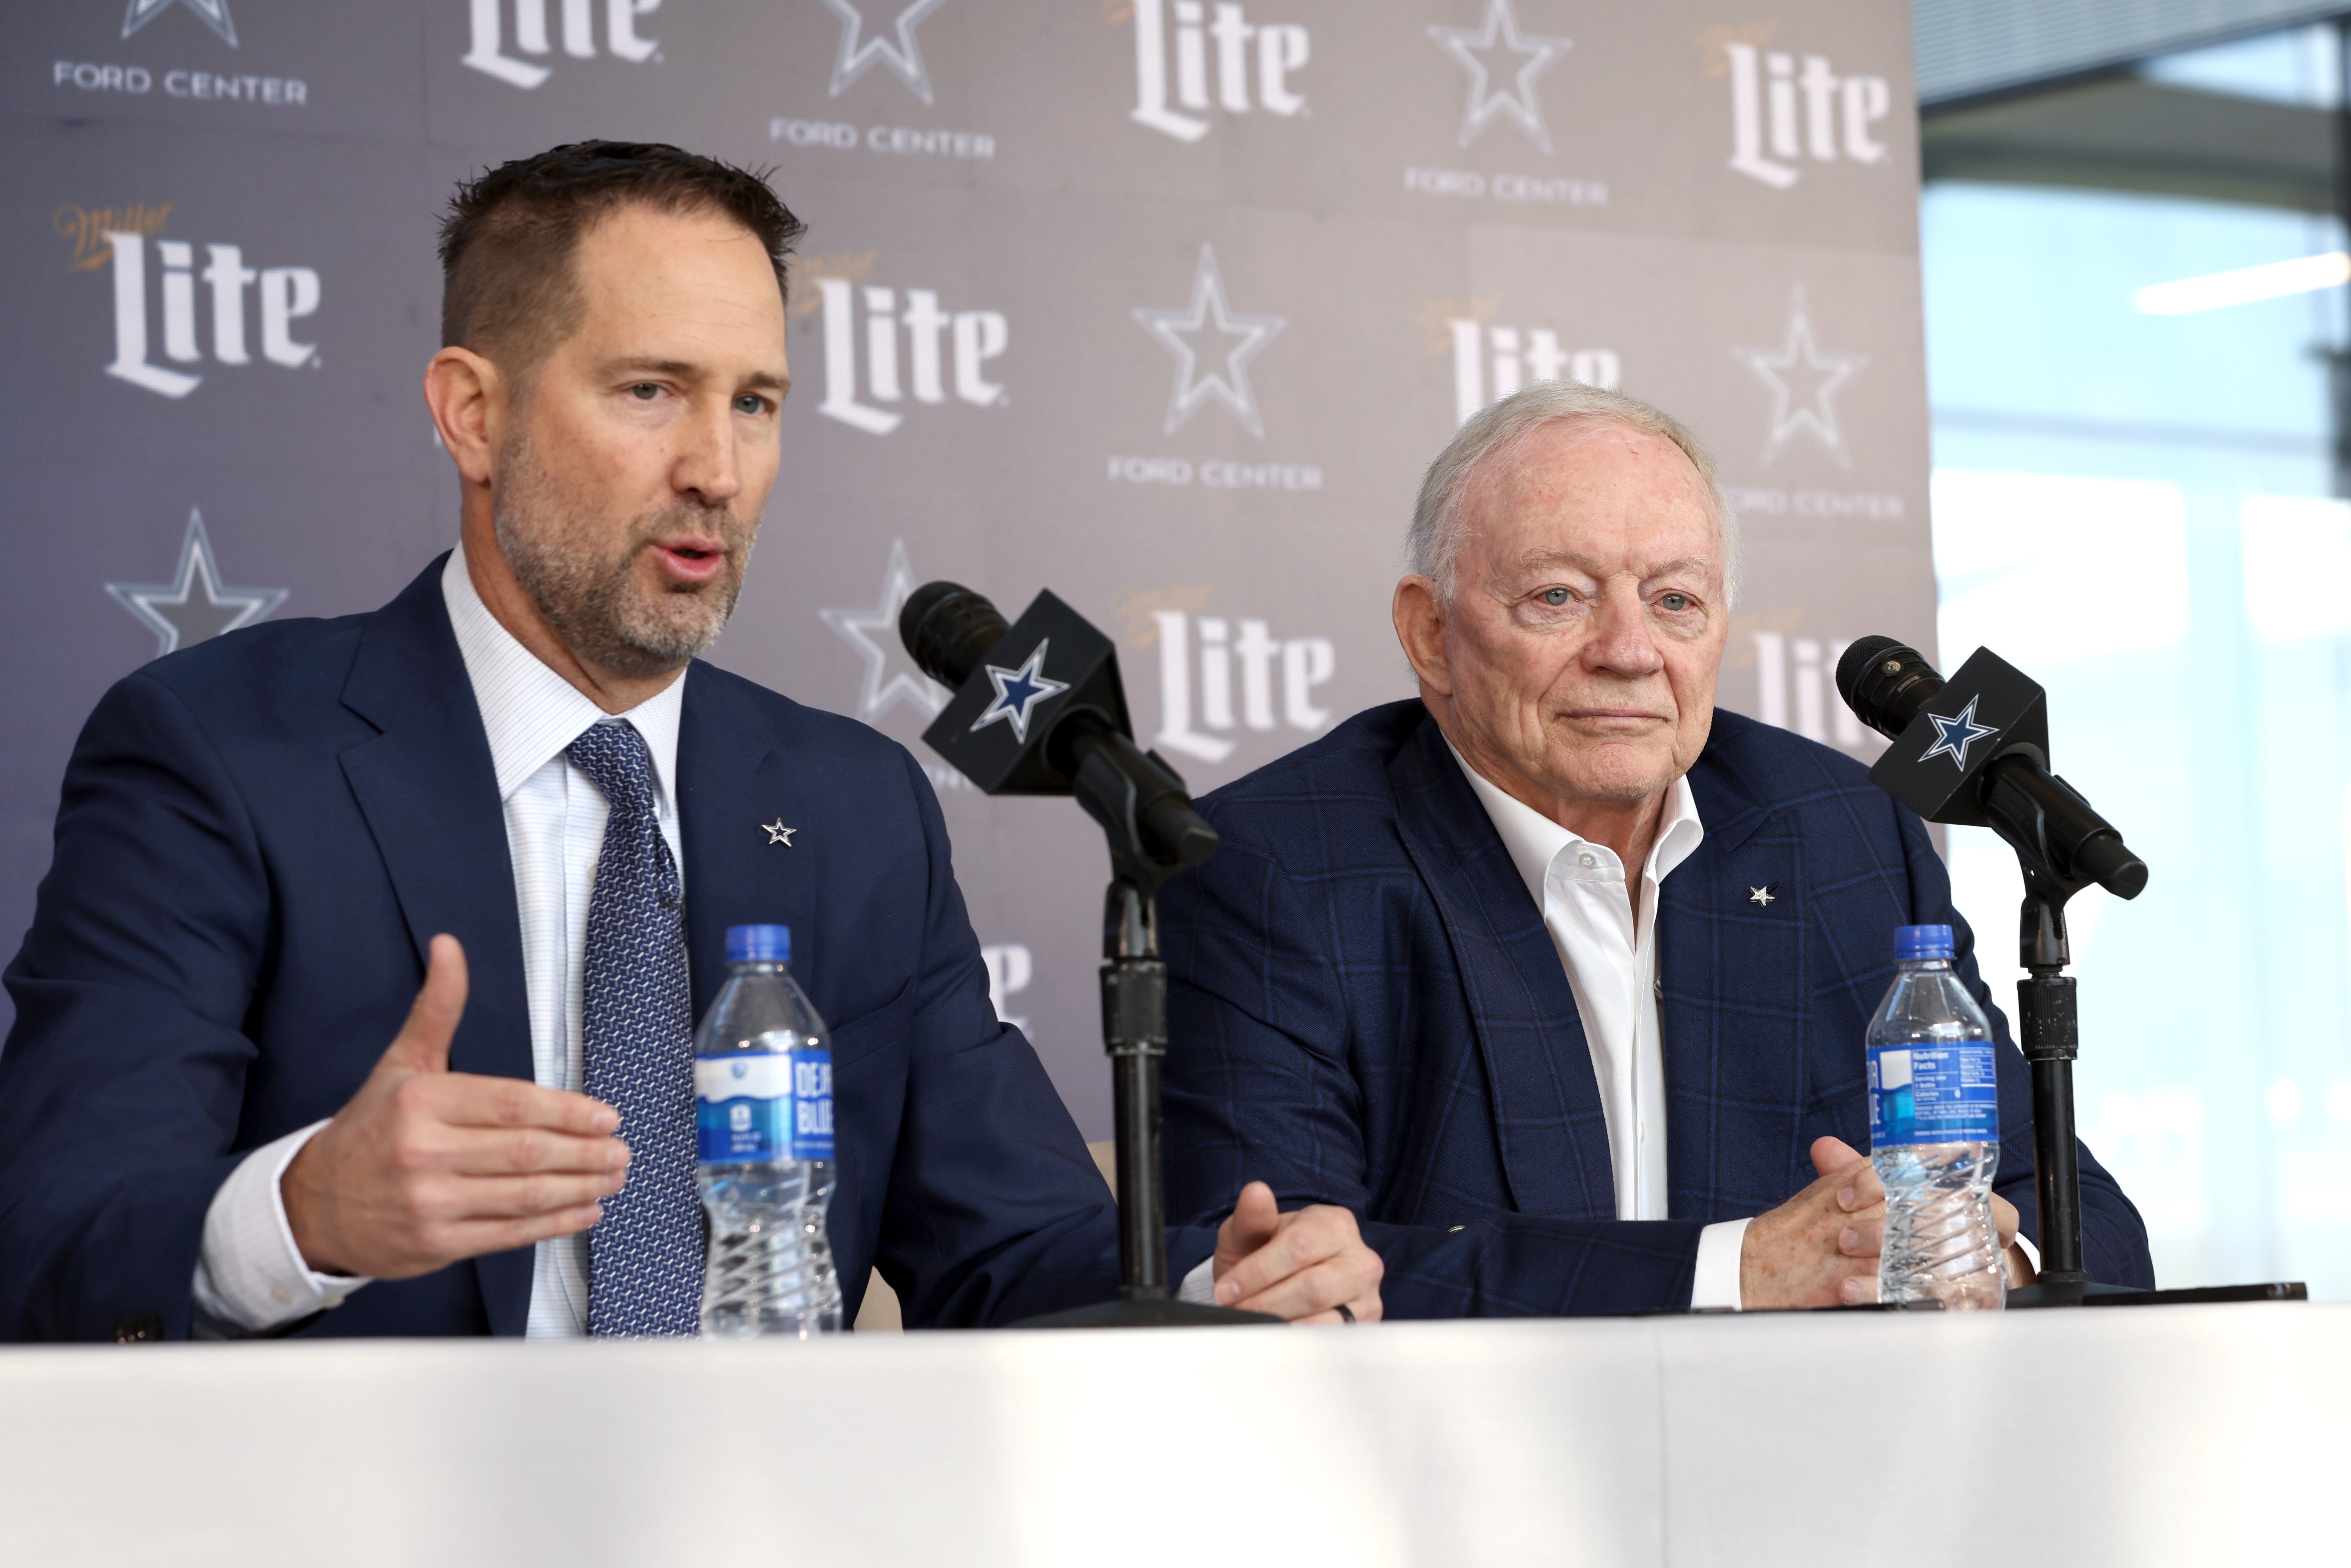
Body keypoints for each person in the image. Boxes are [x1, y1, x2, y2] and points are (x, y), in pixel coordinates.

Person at [0, 141, 1381, 1341]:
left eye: (756, 402)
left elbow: (1014, 1253)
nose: (717, 469)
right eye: (652, 391)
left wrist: (1209, 1299)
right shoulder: (222, 752)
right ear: (472, 415)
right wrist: (302, 1215)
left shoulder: (854, 807)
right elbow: (56, 1242)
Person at [1156, 382, 2153, 1316]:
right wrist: (1736, 1272)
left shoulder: (1839, 834)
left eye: (1674, 601)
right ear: (1428, 634)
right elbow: (1280, 1283)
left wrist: (1978, 1256)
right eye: (1558, 597)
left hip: (1814, 1457)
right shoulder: (1276, 862)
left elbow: (2088, 1227)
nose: (1629, 651)